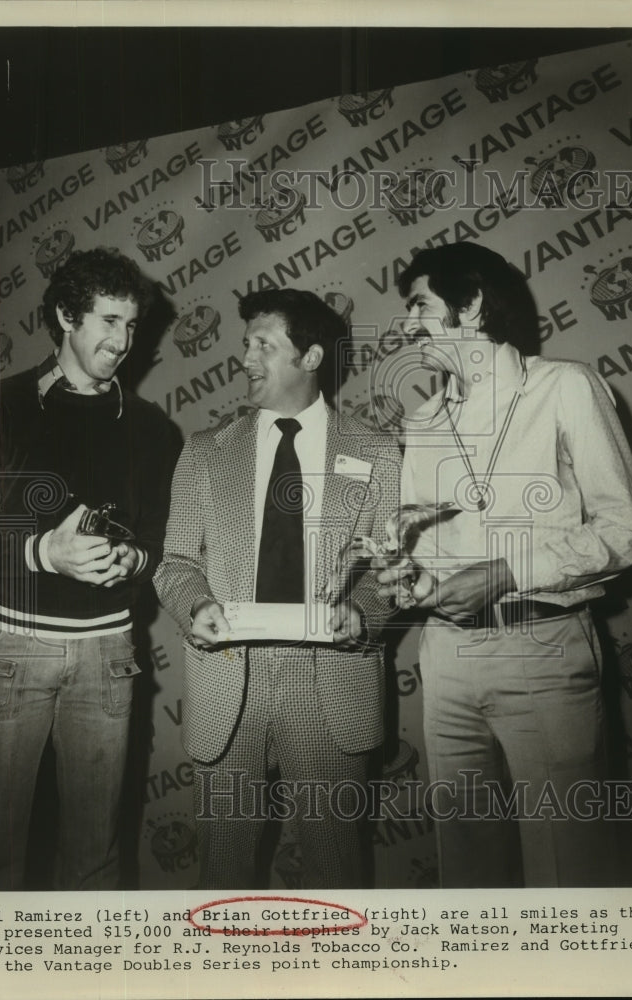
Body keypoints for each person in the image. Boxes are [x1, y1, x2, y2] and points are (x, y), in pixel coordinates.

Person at [374, 242, 632, 888]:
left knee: (571, 869)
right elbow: (426, 556)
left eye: (419, 306)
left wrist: (505, 573)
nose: (407, 326)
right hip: (446, 658)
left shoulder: (565, 386)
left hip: (544, 648)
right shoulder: (422, 420)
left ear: (471, 305)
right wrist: (415, 579)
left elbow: (628, 531)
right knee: (467, 870)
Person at [0, 247, 180, 890]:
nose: (122, 341)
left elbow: (158, 542)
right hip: (13, 648)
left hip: (108, 654)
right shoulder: (0, 404)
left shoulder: (151, 428)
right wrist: (44, 552)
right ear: (66, 317)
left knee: (95, 858)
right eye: (108, 321)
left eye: (131, 325)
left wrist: (132, 559)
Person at [154, 288, 401, 889]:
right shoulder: (205, 452)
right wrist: (196, 605)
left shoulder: (375, 452)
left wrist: (361, 612)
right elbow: (176, 562)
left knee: (336, 869)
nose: (246, 358)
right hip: (227, 679)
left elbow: (391, 567)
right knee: (222, 871)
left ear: (310, 356)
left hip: (329, 683)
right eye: (246, 344)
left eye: (263, 345)